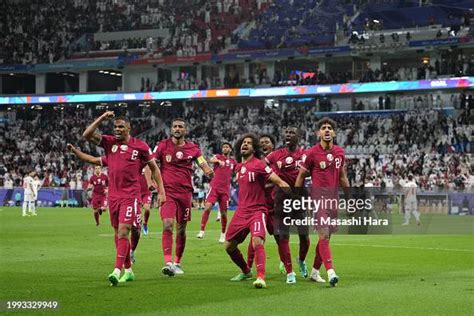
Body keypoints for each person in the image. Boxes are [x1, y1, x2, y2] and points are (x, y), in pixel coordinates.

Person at [81, 111, 166, 286]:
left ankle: (116, 270)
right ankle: (128, 269)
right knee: (118, 233)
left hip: (131, 195)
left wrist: (162, 192)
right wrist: (102, 119)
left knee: (123, 231)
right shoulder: (109, 143)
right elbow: (87, 135)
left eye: (121, 126)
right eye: (115, 126)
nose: (117, 129)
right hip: (113, 196)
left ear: (129, 128)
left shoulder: (140, 146)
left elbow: (155, 169)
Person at [225, 133, 290, 289]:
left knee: (257, 241)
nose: (245, 144)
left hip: (258, 211)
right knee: (229, 246)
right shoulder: (238, 167)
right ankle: (246, 271)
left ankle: (261, 277)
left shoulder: (260, 165)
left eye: (248, 143)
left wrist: (294, 198)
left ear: (254, 148)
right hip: (241, 211)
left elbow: (279, 181)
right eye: (243, 142)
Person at [153, 118, 214, 276]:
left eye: (180, 126)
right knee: (167, 224)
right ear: (171, 129)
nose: (177, 129)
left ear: (185, 130)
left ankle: (177, 262)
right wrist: (152, 183)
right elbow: (151, 162)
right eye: (175, 126)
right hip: (168, 192)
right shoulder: (162, 146)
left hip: (185, 193)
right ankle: (167, 262)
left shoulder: (193, 148)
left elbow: (201, 161)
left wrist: (208, 170)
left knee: (181, 229)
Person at [295, 117, 350, 287]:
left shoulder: (340, 152)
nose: (327, 130)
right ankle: (331, 271)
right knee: (324, 234)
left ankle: (314, 272)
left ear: (334, 133)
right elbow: (300, 177)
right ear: (318, 133)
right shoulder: (311, 153)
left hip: (334, 200)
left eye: (329, 128)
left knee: (325, 238)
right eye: (323, 128)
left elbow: (342, 176)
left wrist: (350, 198)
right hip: (318, 199)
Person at [265, 127, 310, 284]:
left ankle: (302, 261)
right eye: (286, 133)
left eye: (292, 133)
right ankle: (290, 272)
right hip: (281, 199)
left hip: (299, 199)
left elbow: (314, 169)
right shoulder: (276, 154)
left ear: (299, 136)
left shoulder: (305, 154)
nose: (288, 135)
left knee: (304, 236)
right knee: (283, 236)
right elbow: (260, 164)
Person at [197, 142, 236, 243]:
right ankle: (201, 231)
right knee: (207, 207)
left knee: (224, 214)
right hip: (214, 187)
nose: (225, 148)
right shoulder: (218, 156)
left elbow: (238, 170)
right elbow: (211, 160)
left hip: (225, 190)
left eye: (227, 147)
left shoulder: (233, 162)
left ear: (230, 149)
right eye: (223, 147)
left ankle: (223, 234)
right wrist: (219, 161)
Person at [247, 134, 275, 270]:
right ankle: (247, 268)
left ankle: (285, 265)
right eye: (261, 142)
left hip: (274, 205)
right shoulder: (255, 162)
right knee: (254, 236)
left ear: (272, 146)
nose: (264, 144)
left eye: (267, 142)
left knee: (279, 236)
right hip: (258, 205)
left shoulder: (277, 161)